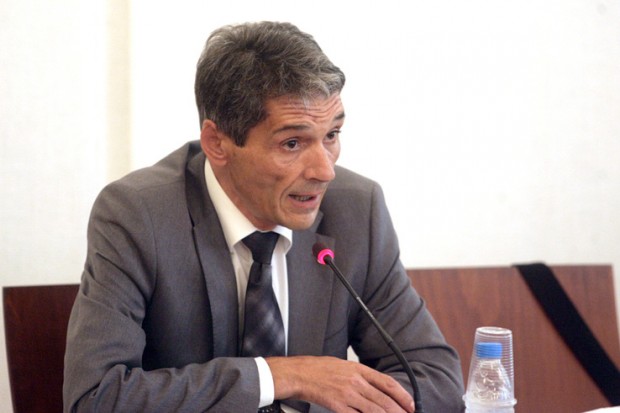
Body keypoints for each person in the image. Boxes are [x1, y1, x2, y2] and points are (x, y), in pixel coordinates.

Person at [63, 21, 464, 412]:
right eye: (292, 143)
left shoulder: (357, 209)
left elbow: (435, 380)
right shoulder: (138, 216)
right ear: (217, 143)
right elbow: (96, 398)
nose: (324, 171)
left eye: (331, 135)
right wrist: (282, 376)